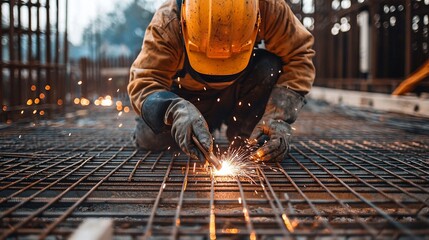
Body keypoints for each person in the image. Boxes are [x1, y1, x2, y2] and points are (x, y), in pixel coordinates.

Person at [127, 0, 315, 167]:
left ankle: (245, 135)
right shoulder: (168, 22)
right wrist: (174, 110)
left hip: (239, 96)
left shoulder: (269, 7)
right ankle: (188, 125)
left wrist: (278, 118)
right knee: (150, 136)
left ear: (256, 19)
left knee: (269, 67)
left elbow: (298, 56)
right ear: (185, 23)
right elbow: (145, 81)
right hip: (189, 100)